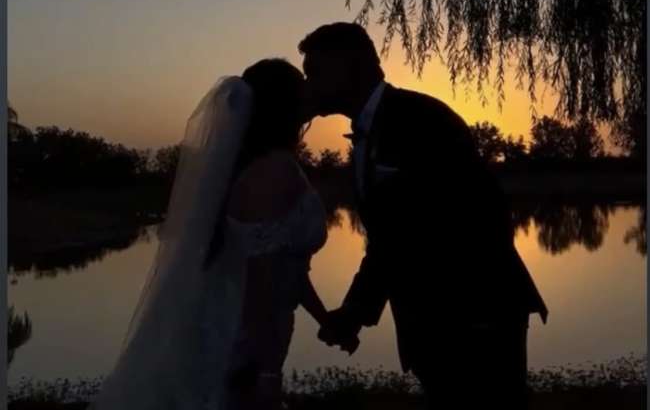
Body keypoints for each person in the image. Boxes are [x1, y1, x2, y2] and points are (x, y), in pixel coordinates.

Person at [299, 22, 548, 409]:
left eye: (314, 72)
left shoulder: (418, 120)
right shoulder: (373, 131)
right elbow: (389, 237)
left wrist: (355, 311)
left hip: (475, 318)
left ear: (351, 65)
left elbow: (461, 223)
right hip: (436, 322)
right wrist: (356, 311)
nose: (308, 84)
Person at [89, 58, 342, 410]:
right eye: (301, 85)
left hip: (253, 331)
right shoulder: (273, 172)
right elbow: (261, 281)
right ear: (283, 104)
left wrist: (324, 317)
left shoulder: (273, 165)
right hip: (241, 339)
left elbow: (288, 266)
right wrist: (266, 372)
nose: (310, 91)